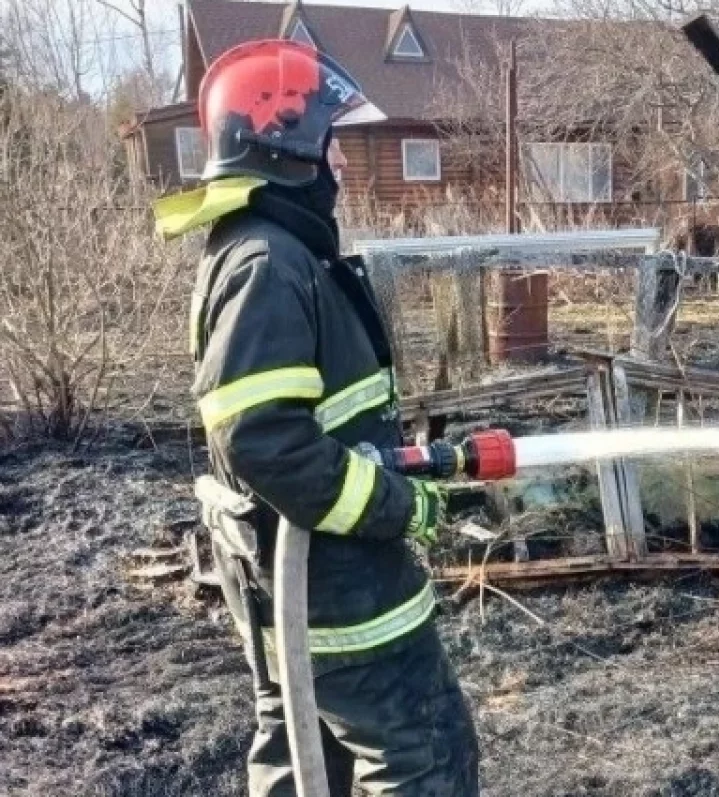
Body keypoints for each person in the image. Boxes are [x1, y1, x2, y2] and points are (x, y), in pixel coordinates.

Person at [152, 40, 479, 796]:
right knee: (427, 756)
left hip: (300, 588)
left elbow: (312, 424)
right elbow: (264, 439)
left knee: (305, 763)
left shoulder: (268, 252)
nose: (339, 163)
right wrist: (397, 505)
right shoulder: (269, 264)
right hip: (338, 595)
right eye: (329, 142)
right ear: (284, 146)